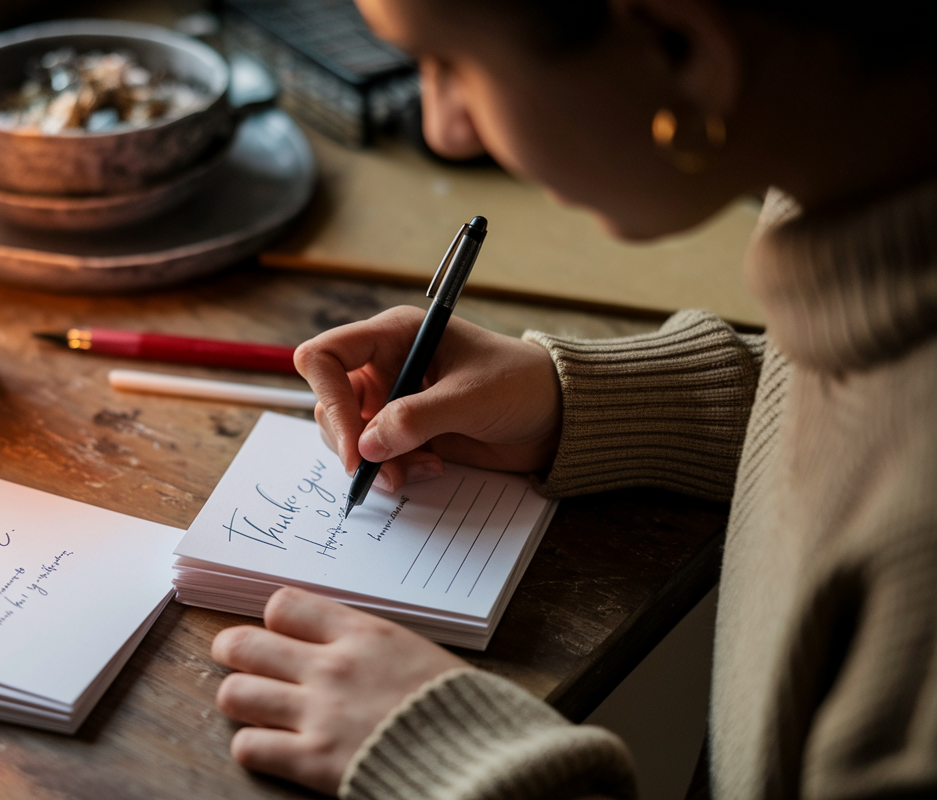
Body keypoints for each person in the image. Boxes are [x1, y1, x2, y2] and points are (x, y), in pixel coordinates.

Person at [208, 0, 937, 798]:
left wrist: (481, 766)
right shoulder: (864, 172)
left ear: (679, 46)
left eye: (452, 64)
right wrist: (580, 399)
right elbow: (839, 404)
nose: (446, 131)